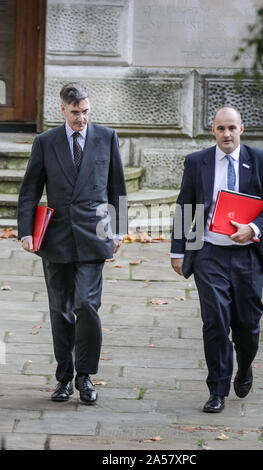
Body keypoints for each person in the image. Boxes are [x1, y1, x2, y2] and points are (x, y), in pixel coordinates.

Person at [170, 106, 263, 413]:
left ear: (241, 129)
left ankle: (245, 366)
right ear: (213, 131)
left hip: (248, 255)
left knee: (247, 325)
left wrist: (253, 228)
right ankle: (217, 390)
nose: (226, 134)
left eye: (232, 128)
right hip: (209, 253)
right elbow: (186, 206)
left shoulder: (258, 160)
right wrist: (178, 250)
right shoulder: (198, 162)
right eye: (221, 129)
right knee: (216, 322)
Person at [18, 82, 127, 404]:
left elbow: (116, 188)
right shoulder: (46, 142)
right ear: (63, 109)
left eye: (86, 112)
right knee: (60, 311)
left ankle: (86, 375)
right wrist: (26, 232)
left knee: (86, 306)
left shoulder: (106, 138)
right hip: (56, 239)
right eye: (76, 113)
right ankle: (64, 377)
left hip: (95, 236)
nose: (82, 119)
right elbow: (30, 190)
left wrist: (118, 230)